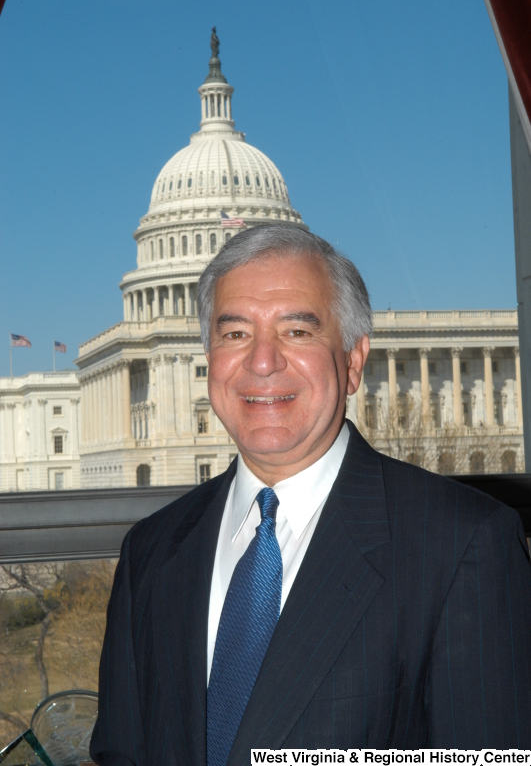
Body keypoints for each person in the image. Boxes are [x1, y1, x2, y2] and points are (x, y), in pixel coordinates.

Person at [90, 224, 531, 766]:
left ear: (352, 361)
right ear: (208, 356)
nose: (261, 361)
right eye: (235, 334)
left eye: (297, 331)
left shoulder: (464, 545)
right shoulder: (150, 551)